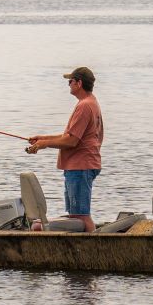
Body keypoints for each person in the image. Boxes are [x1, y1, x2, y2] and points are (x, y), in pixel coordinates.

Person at [26, 66, 105, 232]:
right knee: (75, 215)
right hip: (80, 166)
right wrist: (43, 138)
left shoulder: (84, 106)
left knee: (81, 216)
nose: (68, 84)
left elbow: (71, 141)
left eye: (70, 81)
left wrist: (44, 145)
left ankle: (95, 250)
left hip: (80, 167)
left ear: (79, 83)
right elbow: (71, 136)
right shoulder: (91, 102)